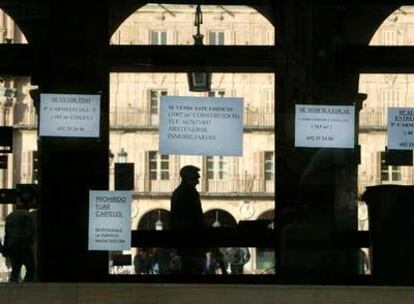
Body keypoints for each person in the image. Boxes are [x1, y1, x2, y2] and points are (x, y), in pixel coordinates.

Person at [170, 165, 207, 274]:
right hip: (190, 239)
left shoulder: (181, 193)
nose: (198, 182)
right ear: (187, 178)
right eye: (195, 178)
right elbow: (194, 217)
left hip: (188, 239)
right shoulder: (187, 194)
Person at [3, 202, 35, 282]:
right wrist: (30, 241)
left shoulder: (10, 216)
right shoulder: (28, 215)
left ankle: (12, 288)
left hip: (12, 245)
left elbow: (7, 234)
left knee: (15, 270)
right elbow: (31, 230)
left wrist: (6, 248)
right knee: (31, 268)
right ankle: (26, 286)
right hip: (23, 245)